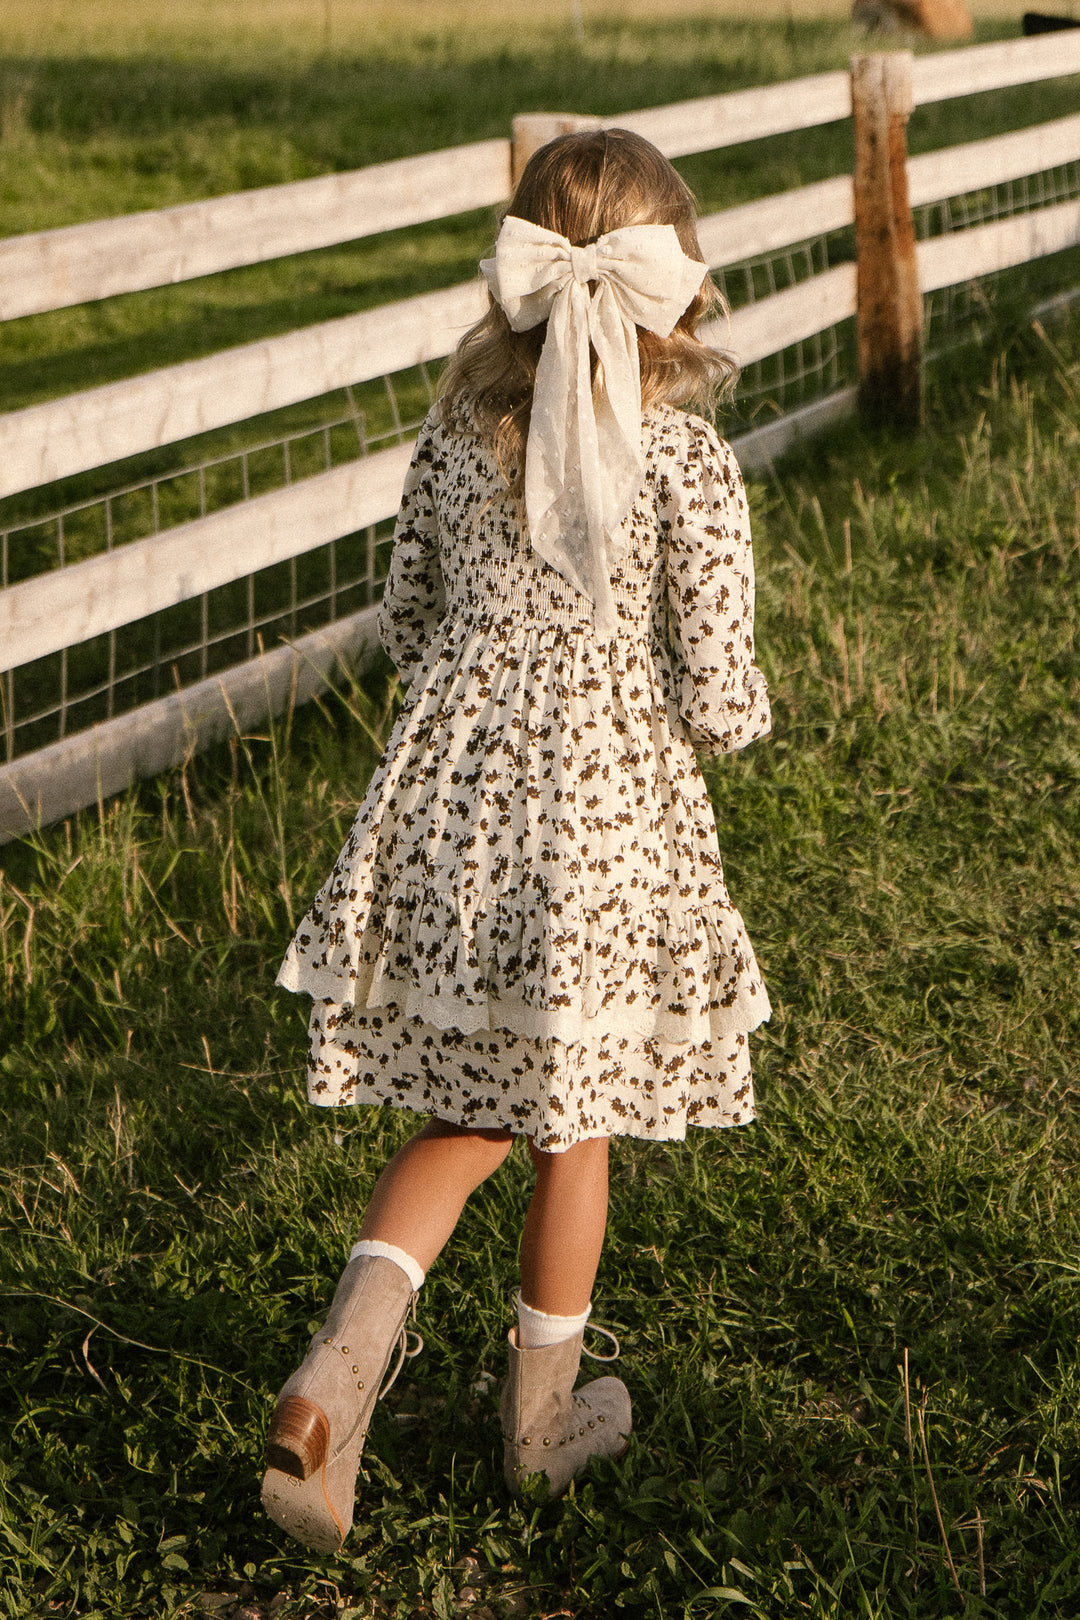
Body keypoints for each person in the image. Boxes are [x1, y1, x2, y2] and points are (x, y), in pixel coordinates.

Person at [261, 128, 772, 1555]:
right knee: (572, 1121)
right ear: (676, 289)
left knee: (469, 1109)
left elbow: (406, 621)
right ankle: (540, 1428)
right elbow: (722, 696)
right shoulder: (688, 463)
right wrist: (703, 709)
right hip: (600, 836)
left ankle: (333, 1380)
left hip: (449, 814)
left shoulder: (453, 436)